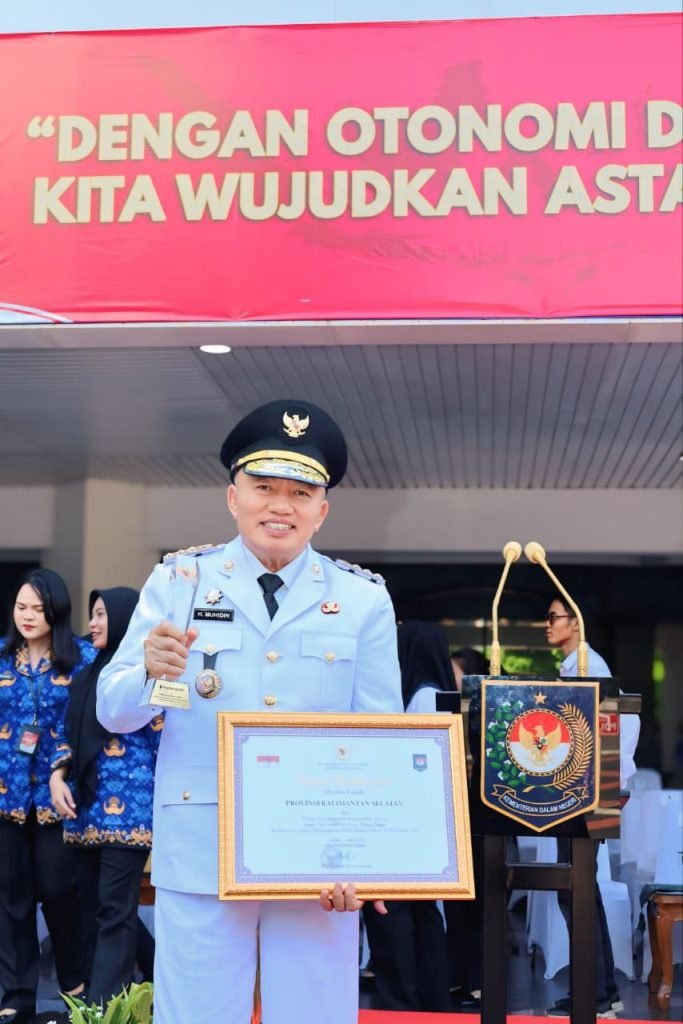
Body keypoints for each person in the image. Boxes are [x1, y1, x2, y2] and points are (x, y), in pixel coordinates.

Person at [97, 398, 403, 1024]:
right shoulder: (179, 582)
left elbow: (383, 737)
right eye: (264, 487)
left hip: (319, 857)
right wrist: (151, 675)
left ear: (322, 510)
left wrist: (368, 859)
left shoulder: (362, 600)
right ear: (233, 497)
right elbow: (112, 711)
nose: (280, 505)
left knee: (314, 1014)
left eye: (300, 492)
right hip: (202, 845)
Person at [49, 587, 162, 1008]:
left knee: (114, 912)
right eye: (92, 614)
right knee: (94, 910)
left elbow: (166, 742)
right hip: (82, 814)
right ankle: (137, 988)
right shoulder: (85, 676)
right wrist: (58, 776)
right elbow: (65, 736)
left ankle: (103, 1008)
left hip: (129, 815)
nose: (92, 623)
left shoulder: (148, 677)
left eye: (101, 615)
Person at [0, 568, 95, 1024]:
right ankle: (17, 995)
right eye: (21, 607)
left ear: (56, 611)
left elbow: (86, 725)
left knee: (60, 891)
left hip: (60, 799)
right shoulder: (1, 659)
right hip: (6, 796)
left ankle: (75, 985)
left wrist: (61, 768)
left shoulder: (81, 659)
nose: (28, 616)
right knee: (11, 898)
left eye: (38, 608)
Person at [544, 594, 640, 1019]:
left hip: (590, 790)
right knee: (581, 887)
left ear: (576, 622)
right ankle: (601, 989)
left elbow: (618, 724)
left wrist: (606, 780)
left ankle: (595, 993)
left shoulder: (588, 666)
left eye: (554, 617)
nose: (547, 625)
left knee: (576, 888)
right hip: (591, 789)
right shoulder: (576, 665)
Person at [363, 620, 452, 1012]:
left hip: (405, 819)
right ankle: (431, 1001)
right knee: (423, 911)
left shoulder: (421, 698)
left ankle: (400, 1001)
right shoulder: (437, 694)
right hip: (426, 822)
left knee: (393, 911)